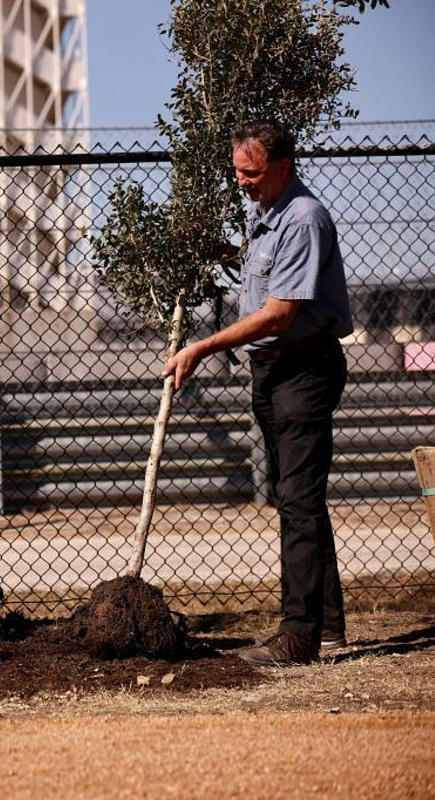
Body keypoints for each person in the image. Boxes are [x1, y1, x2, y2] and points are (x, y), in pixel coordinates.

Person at [162, 120, 354, 667]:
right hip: (270, 372)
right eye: (237, 172)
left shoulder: (303, 219)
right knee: (298, 501)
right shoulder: (265, 216)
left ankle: (298, 637)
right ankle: (329, 629)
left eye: (251, 172)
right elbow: (260, 280)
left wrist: (202, 346)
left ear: (283, 166)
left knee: (298, 501)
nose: (241, 181)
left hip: (303, 370)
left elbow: (280, 312)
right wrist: (217, 251)